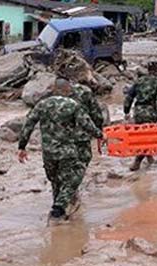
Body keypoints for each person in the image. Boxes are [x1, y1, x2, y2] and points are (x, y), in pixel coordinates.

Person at [17, 79, 103, 221]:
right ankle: (59, 208)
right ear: (68, 89)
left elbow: (28, 124)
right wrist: (100, 134)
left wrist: (22, 146)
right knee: (74, 176)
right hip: (68, 150)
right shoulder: (73, 104)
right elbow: (87, 123)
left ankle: (57, 208)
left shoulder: (42, 104)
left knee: (55, 179)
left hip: (48, 152)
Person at [124, 61, 157, 171]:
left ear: (148, 69)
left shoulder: (139, 81)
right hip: (150, 113)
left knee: (141, 137)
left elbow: (129, 97)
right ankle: (137, 162)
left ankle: (149, 158)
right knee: (148, 139)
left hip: (138, 112)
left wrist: (126, 112)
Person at [70, 83, 104, 167]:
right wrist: (98, 129)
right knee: (84, 159)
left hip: (60, 135)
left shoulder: (56, 91)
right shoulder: (85, 91)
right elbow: (96, 113)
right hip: (82, 133)